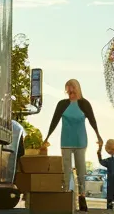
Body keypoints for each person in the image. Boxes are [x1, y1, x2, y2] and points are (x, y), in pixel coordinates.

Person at [43, 79, 102, 212]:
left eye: (73, 89)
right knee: (66, 170)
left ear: (78, 89)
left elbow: (93, 120)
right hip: (66, 142)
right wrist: (47, 137)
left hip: (80, 142)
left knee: (81, 171)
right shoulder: (62, 104)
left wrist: (98, 136)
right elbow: (54, 120)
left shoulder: (84, 104)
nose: (71, 92)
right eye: (68, 90)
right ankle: (66, 195)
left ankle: (82, 197)